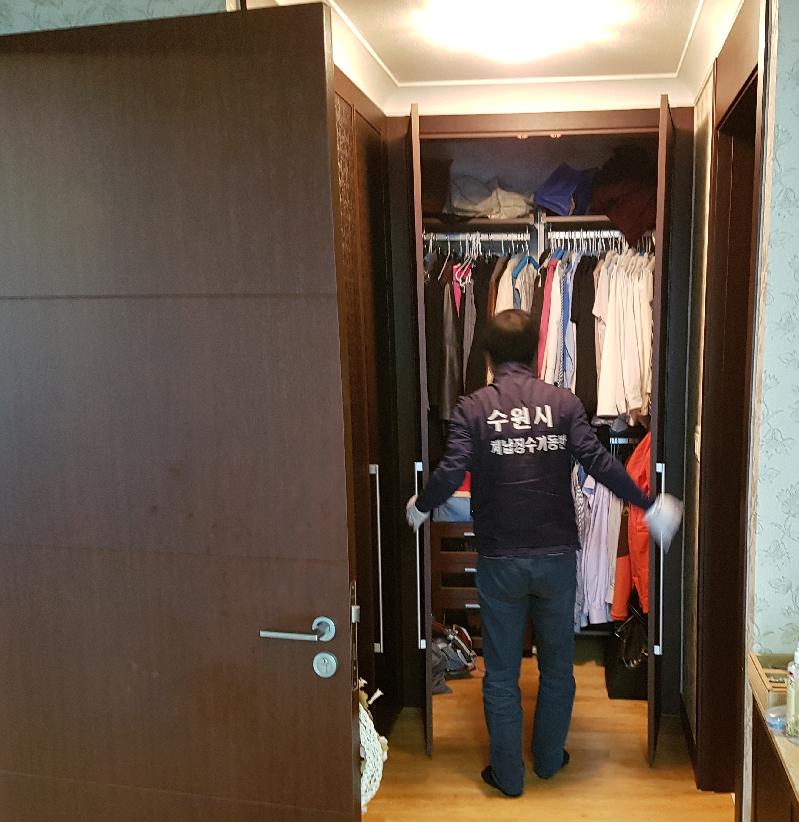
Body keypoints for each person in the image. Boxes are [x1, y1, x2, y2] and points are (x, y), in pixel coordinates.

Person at [405, 309, 682, 798]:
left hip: (500, 560)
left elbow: (450, 472)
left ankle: (508, 776)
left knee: (502, 674)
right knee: (557, 668)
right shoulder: (564, 403)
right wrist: (649, 504)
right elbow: (600, 464)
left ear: (488, 357)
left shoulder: (473, 408)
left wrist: (421, 506)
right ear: (536, 351)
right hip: (556, 558)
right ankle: (550, 760)